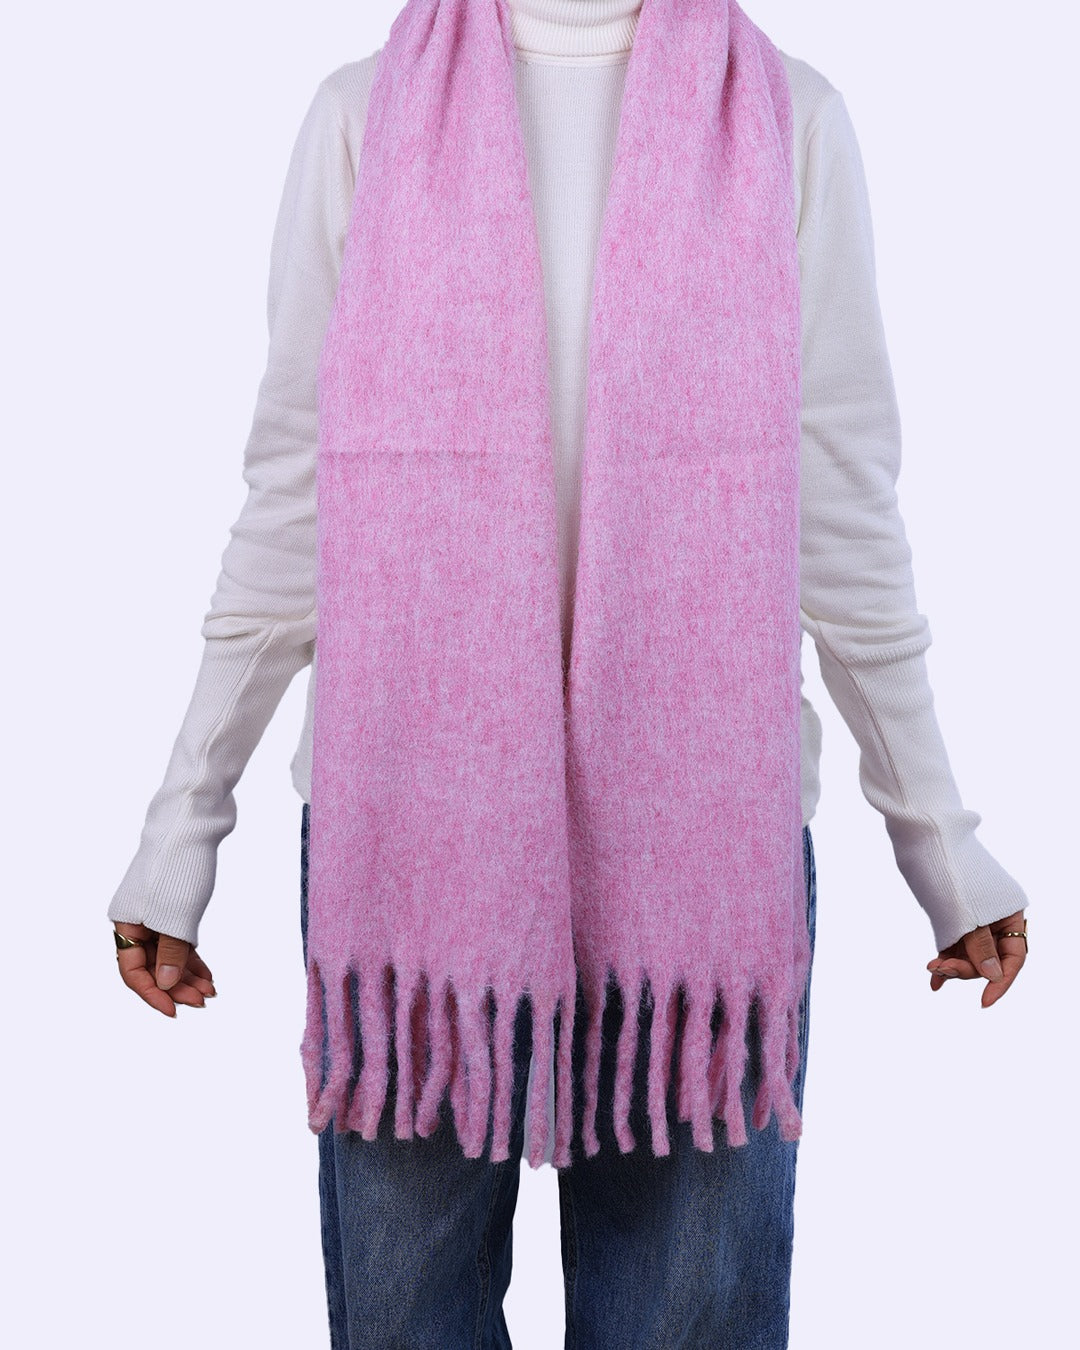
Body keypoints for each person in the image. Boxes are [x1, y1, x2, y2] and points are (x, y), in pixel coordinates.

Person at [107, 2, 1030, 1345]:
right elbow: (298, 491)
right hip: (415, 853)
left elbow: (839, 510)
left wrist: (941, 840)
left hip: (698, 861)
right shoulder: (365, 114)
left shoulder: (789, 120)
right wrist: (179, 832)